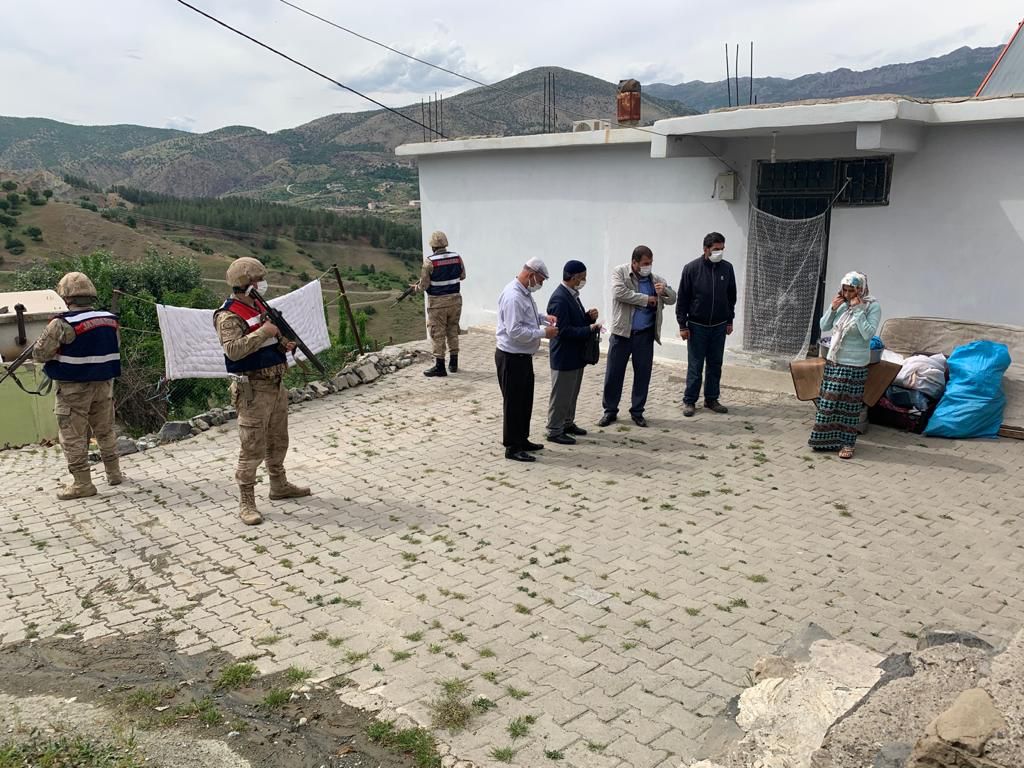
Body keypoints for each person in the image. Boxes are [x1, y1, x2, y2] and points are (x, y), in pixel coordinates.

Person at [215, 257, 311, 525]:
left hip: (275, 383)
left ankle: (279, 484)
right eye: (258, 280)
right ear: (245, 284)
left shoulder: (258, 305)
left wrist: (282, 343)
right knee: (252, 446)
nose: (262, 284)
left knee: (278, 439)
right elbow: (233, 350)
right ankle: (246, 501)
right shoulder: (228, 315)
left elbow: (268, 342)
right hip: (253, 389)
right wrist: (264, 332)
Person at [32, 272, 122, 500]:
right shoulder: (110, 319)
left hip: (73, 389)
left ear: (65, 296)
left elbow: (40, 354)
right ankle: (114, 473)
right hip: (104, 384)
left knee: (72, 436)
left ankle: (83, 484)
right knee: (105, 430)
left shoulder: (61, 323)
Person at [599, 245, 676, 428]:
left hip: (644, 336)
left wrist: (664, 291)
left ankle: (637, 411)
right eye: (645, 263)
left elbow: (673, 298)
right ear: (634, 262)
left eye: (650, 263)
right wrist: (646, 299)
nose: (648, 266)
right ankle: (610, 411)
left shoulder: (655, 279)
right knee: (614, 374)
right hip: (622, 334)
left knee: (642, 375)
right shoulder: (620, 272)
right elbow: (620, 293)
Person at [808, 271, 882, 459]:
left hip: (855, 364)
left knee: (849, 407)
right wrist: (833, 308)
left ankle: (847, 444)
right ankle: (824, 440)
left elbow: (868, 334)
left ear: (861, 290)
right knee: (828, 403)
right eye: (845, 290)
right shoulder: (842, 304)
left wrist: (858, 310)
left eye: (852, 291)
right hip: (835, 360)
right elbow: (824, 326)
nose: (848, 294)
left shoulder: (872, 306)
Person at [495, 258, 559, 462]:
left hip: (522, 356)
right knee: (513, 404)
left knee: (524, 401)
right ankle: (512, 447)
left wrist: (543, 318)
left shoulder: (524, 292)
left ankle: (522, 439)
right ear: (531, 275)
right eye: (540, 280)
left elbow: (527, 316)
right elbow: (515, 331)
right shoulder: (513, 296)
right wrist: (543, 333)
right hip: (511, 356)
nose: (540, 285)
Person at [676, 232, 737, 417]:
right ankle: (690, 400)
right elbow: (683, 298)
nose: (719, 252)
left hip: (719, 326)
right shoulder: (691, 269)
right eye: (716, 249)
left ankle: (711, 399)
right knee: (695, 366)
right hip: (697, 326)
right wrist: (682, 325)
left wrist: (730, 320)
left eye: (722, 249)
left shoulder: (727, 268)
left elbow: (731, 297)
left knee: (715, 364)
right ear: (705, 249)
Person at [545, 260, 600, 445]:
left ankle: (567, 423)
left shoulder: (572, 295)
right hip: (564, 356)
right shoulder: (559, 298)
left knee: (571, 393)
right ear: (574, 277)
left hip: (576, 355)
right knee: (561, 395)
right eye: (582, 278)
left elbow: (574, 320)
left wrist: (587, 318)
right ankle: (554, 430)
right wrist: (588, 329)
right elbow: (562, 330)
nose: (584, 281)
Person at [413, 230, 466, 377]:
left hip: (438, 303)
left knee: (438, 333)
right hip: (455, 301)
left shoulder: (429, 262)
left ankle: (440, 366)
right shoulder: (457, 257)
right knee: (453, 330)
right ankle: (453, 363)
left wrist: (415, 288)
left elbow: (424, 285)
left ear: (432, 246)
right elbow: (462, 276)